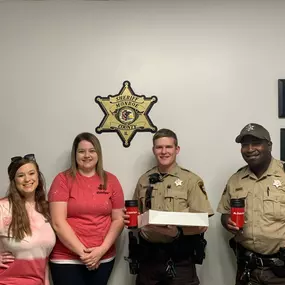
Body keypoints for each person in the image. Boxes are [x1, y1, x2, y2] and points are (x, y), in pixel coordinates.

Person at [125, 128, 214, 285]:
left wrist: (177, 232)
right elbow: (136, 216)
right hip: (148, 260)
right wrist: (128, 219)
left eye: (168, 147)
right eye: (159, 147)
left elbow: (202, 224)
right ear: (154, 150)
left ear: (177, 149)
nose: (164, 151)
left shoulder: (191, 181)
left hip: (180, 260)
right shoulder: (144, 180)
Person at [48, 132, 124, 285]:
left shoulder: (111, 180)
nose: (87, 155)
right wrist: (86, 255)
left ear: (98, 153)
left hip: (103, 257)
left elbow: (119, 219)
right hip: (67, 259)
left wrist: (101, 251)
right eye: (81, 151)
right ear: (75, 154)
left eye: (92, 150)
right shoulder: (62, 180)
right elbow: (58, 222)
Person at [217, 123, 285, 285]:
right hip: (248, 268)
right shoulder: (236, 179)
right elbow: (225, 213)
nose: (249, 149)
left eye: (256, 143)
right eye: (244, 145)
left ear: (269, 145)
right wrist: (227, 221)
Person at [0, 154, 56, 285]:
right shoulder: (3, 208)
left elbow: (44, 257)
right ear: (14, 181)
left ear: (38, 176)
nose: (27, 179)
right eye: (20, 175)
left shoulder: (46, 209)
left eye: (31, 173)